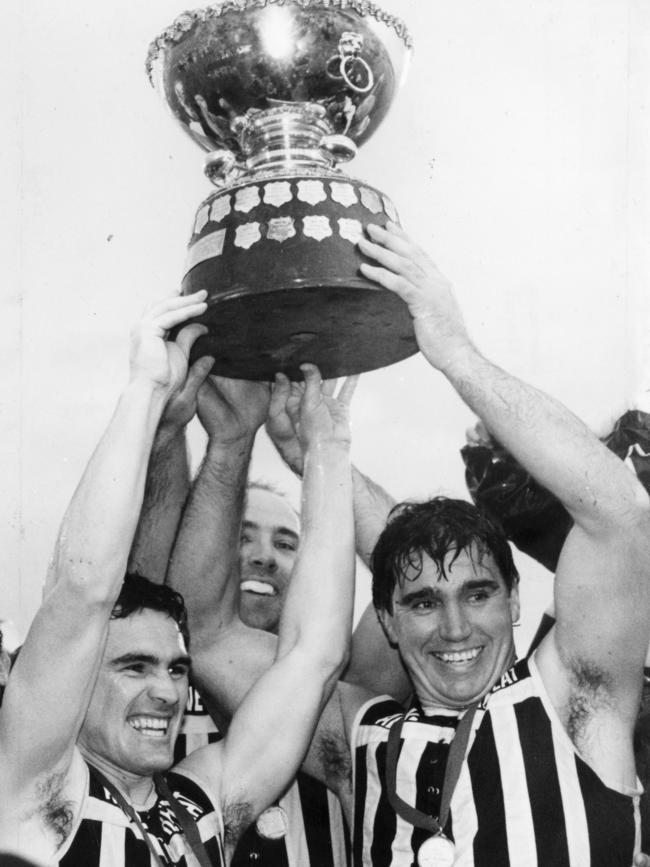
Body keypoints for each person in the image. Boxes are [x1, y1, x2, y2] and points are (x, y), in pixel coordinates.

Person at [186, 222, 650, 865]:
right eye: (425, 604)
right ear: (388, 622)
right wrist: (248, 447)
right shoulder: (358, 743)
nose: (455, 628)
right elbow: (207, 636)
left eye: (479, 593)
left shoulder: (572, 701)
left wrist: (455, 352)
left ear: (515, 601)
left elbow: (619, 511)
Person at [0, 289, 356, 866]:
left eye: (176, 669)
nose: (167, 693)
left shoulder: (198, 807)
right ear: (76, 676)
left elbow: (312, 657)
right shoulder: (34, 790)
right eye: (134, 666)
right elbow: (84, 588)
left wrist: (329, 453)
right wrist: (144, 392)